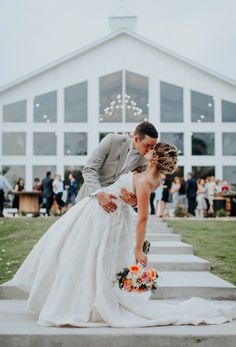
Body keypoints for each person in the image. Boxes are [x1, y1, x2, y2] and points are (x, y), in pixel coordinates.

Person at [12, 142, 236, 327]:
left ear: (154, 158)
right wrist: (131, 200)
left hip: (109, 216)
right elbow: (129, 191)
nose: (147, 149)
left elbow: (144, 218)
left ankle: (87, 303)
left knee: (95, 259)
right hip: (100, 207)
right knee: (78, 253)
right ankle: (84, 300)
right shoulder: (144, 171)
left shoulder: (149, 180)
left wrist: (138, 249)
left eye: (151, 149)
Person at [76, 121, 158, 212]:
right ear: (136, 139)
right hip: (89, 199)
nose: (150, 150)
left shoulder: (145, 160)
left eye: (153, 146)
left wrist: (134, 202)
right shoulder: (111, 140)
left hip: (115, 208)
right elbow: (88, 169)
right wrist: (100, 195)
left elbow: (138, 188)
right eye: (147, 145)